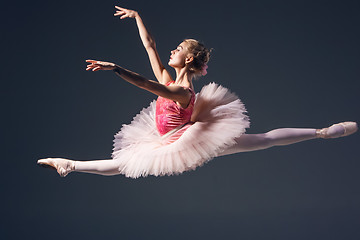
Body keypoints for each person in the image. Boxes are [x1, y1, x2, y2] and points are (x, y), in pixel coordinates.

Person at [38, 6, 358, 178]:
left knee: (263, 140)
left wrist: (116, 69)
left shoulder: (182, 92)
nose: (172, 50)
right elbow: (150, 47)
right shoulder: (169, 76)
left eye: (178, 48)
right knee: (125, 163)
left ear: (188, 58)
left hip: (191, 141)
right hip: (169, 139)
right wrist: (137, 17)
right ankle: (70, 164)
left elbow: (145, 84)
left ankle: (322, 132)